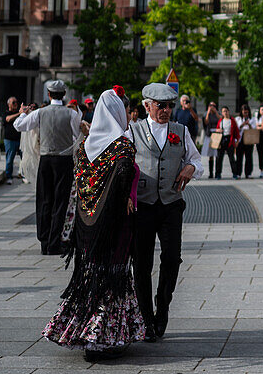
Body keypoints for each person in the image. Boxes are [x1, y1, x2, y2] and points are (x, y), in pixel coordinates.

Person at [43, 88, 145, 359]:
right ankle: (104, 337)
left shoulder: (87, 145)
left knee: (92, 272)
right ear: (117, 113)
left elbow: (80, 178)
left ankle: (86, 331)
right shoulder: (122, 145)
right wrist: (124, 198)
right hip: (115, 224)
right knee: (113, 274)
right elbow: (124, 171)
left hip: (87, 223)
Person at [129, 83, 203, 340]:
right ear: (147, 106)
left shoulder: (180, 131)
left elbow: (196, 159)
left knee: (172, 258)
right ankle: (146, 319)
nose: (167, 110)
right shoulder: (132, 131)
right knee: (142, 263)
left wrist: (190, 168)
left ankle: (163, 306)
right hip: (143, 206)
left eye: (170, 106)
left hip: (171, 204)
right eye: (161, 106)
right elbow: (119, 163)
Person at [14, 80, 82, 254]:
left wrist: (22, 113)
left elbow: (19, 126)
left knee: (44, 200)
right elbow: (77, 135)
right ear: (64, 94)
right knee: (61, 201)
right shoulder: (71, 114)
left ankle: (44, 241)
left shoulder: (40, 113)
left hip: (46, 159)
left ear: (49, 94)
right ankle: (55, 241)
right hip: (64, 160)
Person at [216, 105, 239, 179]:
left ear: (228, 111)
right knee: (219, 158)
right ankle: (218, 174)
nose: (225, 113)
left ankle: (235, 173)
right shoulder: (220, 121)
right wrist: (218, 130)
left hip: (230, 140)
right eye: (223, 111)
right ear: (222, 113)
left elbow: (236, 132)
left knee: (231, 158)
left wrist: (237, 141)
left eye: (226, 111)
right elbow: (216, 130)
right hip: (221, 139)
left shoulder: (232, 121)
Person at [3, 96, 21, 185]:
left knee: (25, 157)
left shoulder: (20, 113)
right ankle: (9, 177)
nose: (15, 104)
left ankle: (24, 175)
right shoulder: (6, 113)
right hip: (9, 140)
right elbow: (8, 119)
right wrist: (19, 114)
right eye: (13, 102)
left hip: (19, 139)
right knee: (9, 159)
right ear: (9, 104)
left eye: (16, 102)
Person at [236, 105, 257, 178]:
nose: (245, 113)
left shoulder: (252, 119)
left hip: (249, 138)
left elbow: (254, 129)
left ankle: (248, 173)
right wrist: (242, 125)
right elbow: (236, 129)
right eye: (244, 111)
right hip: (240, 139)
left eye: (246, 111)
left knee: (249, 157)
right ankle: (238, 173)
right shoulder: (238, 119)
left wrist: (249, 125)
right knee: (239, 157)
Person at [201, 101, 220, 178]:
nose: (212, 107)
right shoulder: (206, 114)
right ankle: (211, 173)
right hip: (209, 134)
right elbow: (206, 122)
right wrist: (208, 112)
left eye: (214, 105)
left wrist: (215, 112)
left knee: (218, 155)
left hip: (217, 134)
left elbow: (221, 120)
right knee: (210, 155)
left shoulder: (217, 113)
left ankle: (217, 172)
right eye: (211, 105)